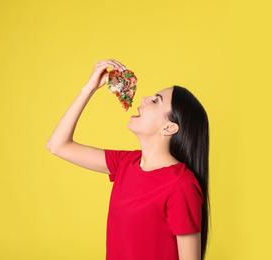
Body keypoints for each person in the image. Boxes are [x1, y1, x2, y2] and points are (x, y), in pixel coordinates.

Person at [46, 59, 210, 260]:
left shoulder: (181, 185)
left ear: (169, 128)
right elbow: (57, 145)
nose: (143, 99)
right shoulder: (125, 163)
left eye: (156, 100)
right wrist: (89, 88)